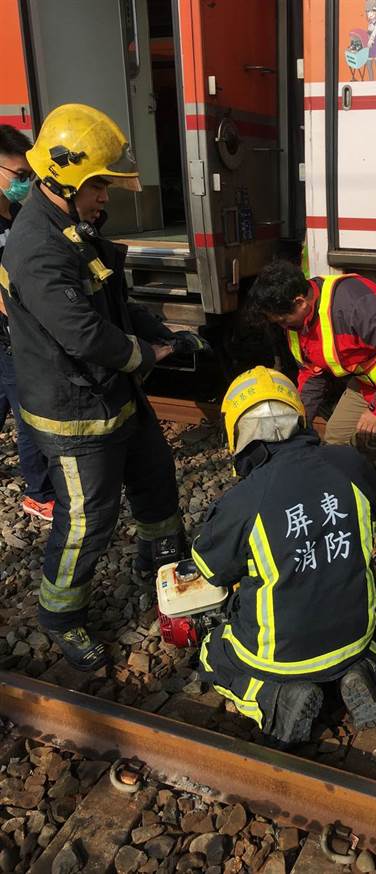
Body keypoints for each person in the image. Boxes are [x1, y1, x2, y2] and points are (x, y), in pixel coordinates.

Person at [0, 104, 208, 671]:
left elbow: (112, 301)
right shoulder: (37, 246)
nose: (104, 197)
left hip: (110, 392)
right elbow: (83, 332)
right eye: (98, 185)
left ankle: (160, 560)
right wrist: (148, 354)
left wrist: (160, 331)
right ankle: (60, 615)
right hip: (73, 410)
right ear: (66, 180)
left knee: (155, 480)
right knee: (88, 520)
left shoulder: (73, 230)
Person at [191, 366, 376, 746]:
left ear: (237, 433)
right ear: (299, 417)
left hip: (279, 655)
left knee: (215, 654)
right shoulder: (350, 464)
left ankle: (273, 696)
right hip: (353, 637)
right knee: (375, 628)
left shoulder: (244, 500)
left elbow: (212, 570)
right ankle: (365, 669)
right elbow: (375, 518)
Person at [248, 261, 376, 566]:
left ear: (300, 302)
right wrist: (296, 423)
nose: (282, 326)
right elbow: (312, 374)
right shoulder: (298, 323)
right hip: (369, 381)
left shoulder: (353, 303)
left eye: (284, 319)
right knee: (336, 444)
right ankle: (351, 513)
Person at [0, 124, 55, 520]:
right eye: (19, 175)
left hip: (14, 332)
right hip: (10, 335)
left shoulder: (18, 214)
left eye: (28, 176)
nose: (24, 184)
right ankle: (38, 493)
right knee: (29, 413)